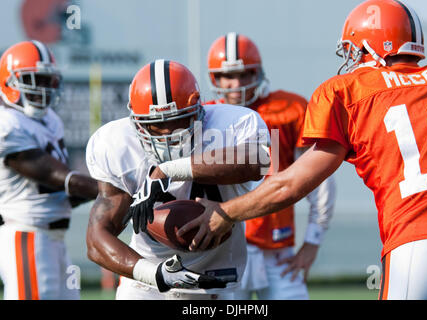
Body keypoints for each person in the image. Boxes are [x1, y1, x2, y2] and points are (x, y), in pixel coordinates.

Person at [179, 0, 427, 300]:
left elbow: (292, 184)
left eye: (353, 50)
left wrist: (226, 213)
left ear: (369, 49)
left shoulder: (348, 91)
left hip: (417, 240)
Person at [85, 59, 271, 300]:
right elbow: (96, 238)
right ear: (137, 123)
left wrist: (169, 169)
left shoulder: (234, 124)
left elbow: (264, 158)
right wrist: (155, 275)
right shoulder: (118, 143)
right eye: (156, 124)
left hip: (214, 281)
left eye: (177, 121)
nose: (167, 133)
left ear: (198, 112)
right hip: (146, 282)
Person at [205, 32, 336, 299]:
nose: (236, 83)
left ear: (259, 73)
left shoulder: (288, 109)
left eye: (245, 74)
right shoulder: (206, 116)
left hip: (277, 251)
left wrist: (312, 241)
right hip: (221, 249)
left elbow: (318, 179)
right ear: (214, 79)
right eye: (228, 76)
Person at [0, 40, 98, 300]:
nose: (42, 88)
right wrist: (114, 190)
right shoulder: (7, 123)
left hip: (54, 237)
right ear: (10, 83)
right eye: (34, 80)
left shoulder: (49, 120)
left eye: (47, 80)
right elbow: (57, 177)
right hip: (27, 233)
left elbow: (65, 193)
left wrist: (113, 200)